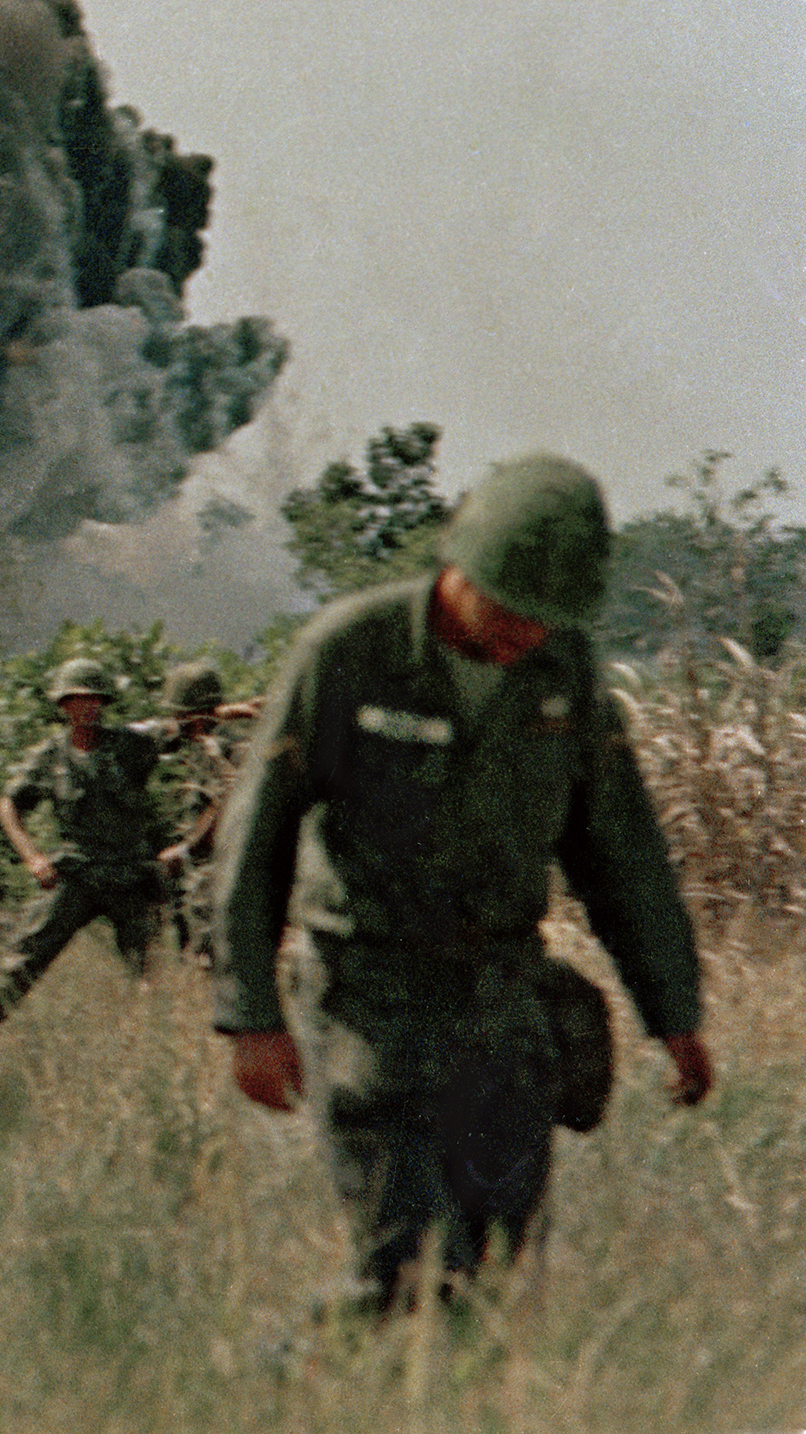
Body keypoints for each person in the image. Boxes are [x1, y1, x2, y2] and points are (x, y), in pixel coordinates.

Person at [211, 453, 712, 1320]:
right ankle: (277, 1393)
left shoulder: (567, 673)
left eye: (550, 621)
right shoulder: (351, 651)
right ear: (461, 568)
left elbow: (621, 850)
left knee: (504, 1265)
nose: (528, 636)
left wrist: (673, 1012)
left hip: (502, 998)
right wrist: (251, 1013)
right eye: (513, 609)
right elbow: (256, 833)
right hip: (368, 997)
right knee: (407, 1264)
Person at [0, 658, 169, 1041]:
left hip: (128, 877)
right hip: (78, 875)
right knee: (22, 964)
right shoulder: (49, 756)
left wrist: (236, 710)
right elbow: (8, 805)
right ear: (63, 704)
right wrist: (32, 857)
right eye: (77, 699)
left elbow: (183, 725)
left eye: (95, 699)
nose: (88, 707)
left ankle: (154, 1050)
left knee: (151, 973)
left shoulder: (130, 743)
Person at [153, 659, 258, 962]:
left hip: (223, 871)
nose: (175, 721)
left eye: (179, 714)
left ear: (191, 715)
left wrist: (185, 850)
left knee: (210, 956)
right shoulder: (223, 741)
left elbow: (224, 803)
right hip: (219, 869)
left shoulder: (223, 749)